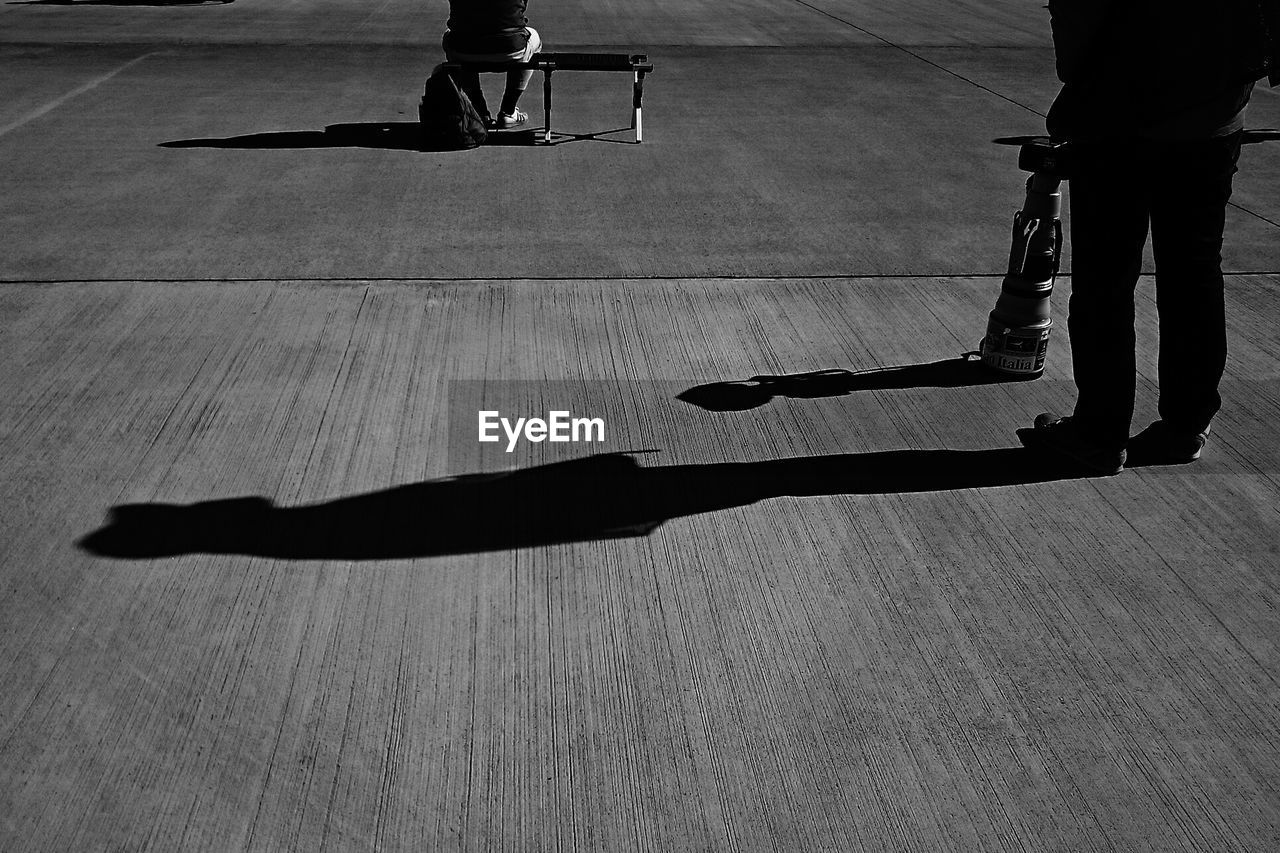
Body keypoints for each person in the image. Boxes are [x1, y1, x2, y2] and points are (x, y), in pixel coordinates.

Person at [1017, 1, 1276, 475]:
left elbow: (1075, 41)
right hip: (1213, 121)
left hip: (1119, 123)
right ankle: (1185, 425)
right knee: (1194, 273)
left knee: (1105, 281)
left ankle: (1099, 433)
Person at [443, 0, 542, 129]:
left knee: (451, 37)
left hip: (464, 49)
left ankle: (479, 111)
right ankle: (508, 110)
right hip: (510, 47)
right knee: (534, 37)